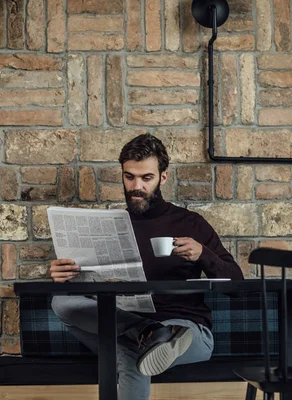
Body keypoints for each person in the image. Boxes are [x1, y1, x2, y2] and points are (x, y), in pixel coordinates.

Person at [50, 133, 244, 400]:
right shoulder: (109, 226)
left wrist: (203, 254)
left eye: (146, 178)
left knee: (131, 351)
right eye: (129, 177)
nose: (136, 186)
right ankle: (147, 332)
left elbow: (237, 286)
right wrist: (66, 275)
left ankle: (151, 336)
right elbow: (88, 287)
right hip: (124, 320)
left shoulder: (191, 223)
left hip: (184, 332)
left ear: (162, 177)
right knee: (61, 302)